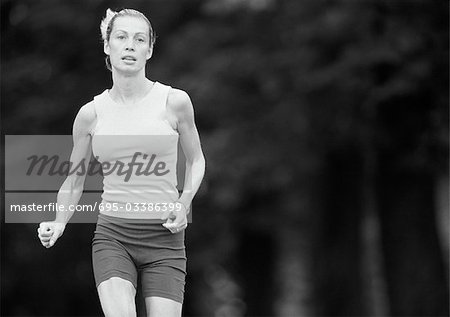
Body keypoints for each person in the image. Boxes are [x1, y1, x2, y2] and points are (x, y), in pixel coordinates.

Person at [37, 8, 206, 317]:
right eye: (122, 37)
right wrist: (59, 222)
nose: (130, 45)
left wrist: (184, 203)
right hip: (113, 235)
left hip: (165, 240)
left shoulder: (174, 102)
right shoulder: (91, 114)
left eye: (139, 39)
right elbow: (74, 180)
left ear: (150, 49)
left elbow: (196, 161)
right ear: (107, 45)